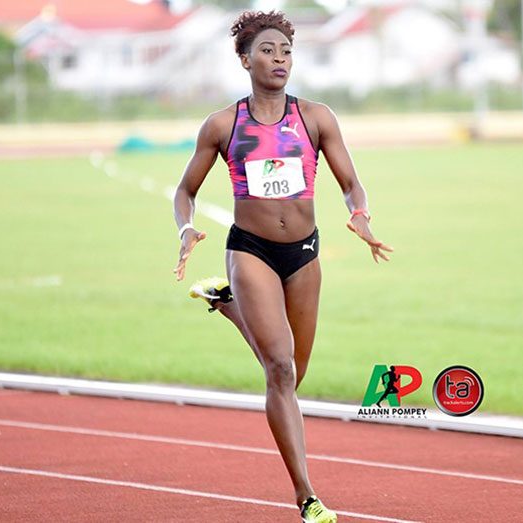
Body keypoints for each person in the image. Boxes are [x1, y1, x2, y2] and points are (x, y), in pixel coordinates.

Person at [172, 10, 393, 522]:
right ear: (245, 59)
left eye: (286, 51)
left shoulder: (315, 117)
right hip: (249, 249)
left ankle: (227, 306)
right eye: (268, 51)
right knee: (279, 368)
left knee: (294, 376)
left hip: (304, 253)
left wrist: (358, 214)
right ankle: (306, 495)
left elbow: (350, 183)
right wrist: (185, 229)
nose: (279, 59)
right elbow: (185, 191)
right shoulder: (224, 124)